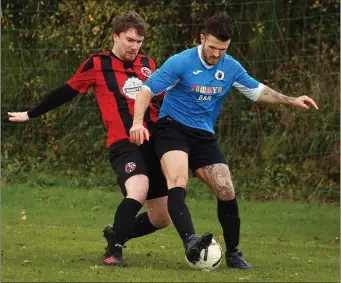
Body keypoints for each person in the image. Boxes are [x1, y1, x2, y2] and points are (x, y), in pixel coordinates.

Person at [129, 12, 319, 269]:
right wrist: (138, 122)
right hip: (172, 128)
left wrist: (291, 100)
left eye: (223, 49)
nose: (217, 54)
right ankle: (191, 243)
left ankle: (234, 254)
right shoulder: (181, 62)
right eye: (213, 47)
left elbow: (258, 90)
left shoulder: (230, 67)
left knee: (226, 189)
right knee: (178, 180)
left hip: (203, 135)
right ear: (202, 38)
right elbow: (146, 90)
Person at [8, 11, 171, 267]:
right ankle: (114, 252)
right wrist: (32, 113)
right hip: (123, 143)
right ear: (115, 36)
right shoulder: (97, 64)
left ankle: (116, 233)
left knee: (162, 217)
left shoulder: (147, 64)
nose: (134, 47)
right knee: (137, 188)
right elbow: (66, 91)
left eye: (139, 42)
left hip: (153, 143)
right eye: (129, 40)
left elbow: (161, 98)